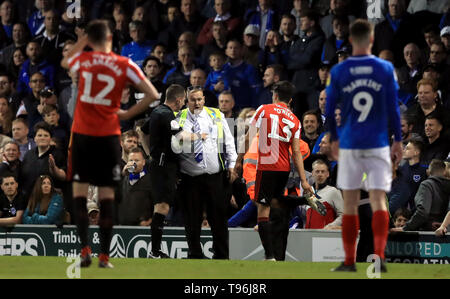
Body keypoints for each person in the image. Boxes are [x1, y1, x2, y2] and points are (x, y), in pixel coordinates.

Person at [61, 20, 160, 268]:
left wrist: (82, 39)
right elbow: (153, 94)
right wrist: (126, 114)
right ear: (111, 40)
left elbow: (65, 62)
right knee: (106, 197)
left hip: (83, 135)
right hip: (107, 137)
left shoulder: (84, 61)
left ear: (91, 40)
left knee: (81, 196)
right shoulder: (123, 64)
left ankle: (85, 251)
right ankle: (104, 257)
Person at [326, 19, 403, 272]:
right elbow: (393, 108)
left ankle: (349, 261)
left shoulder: (339, 71)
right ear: (372, 39)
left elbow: (329, 107)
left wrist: (334, 138)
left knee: (349, 204)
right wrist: (398, 141)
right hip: (378, 143)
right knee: (378, 200)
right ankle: (378, 259)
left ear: (350, 40)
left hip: (350, 144)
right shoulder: (385, 68)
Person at [235, 81, 315, 261]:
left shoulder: (264, 109)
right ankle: (302, 200)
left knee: (263, 210)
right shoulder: (294, 119)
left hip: (267, 167)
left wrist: (238, 160)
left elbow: (248, 138)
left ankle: (269, 255)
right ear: (291, 100)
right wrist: (304, 181)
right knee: (276, 202)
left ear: (275, 96)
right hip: (284, 169)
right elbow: (296, 152)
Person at [174, 85, 237, 259]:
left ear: (204, 99)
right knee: (192, 219)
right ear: (187, 101)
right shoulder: (178, 118)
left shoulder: (216, 114)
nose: (197, 102)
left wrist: (232, 164)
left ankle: (222, 255)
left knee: (219, 219)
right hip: (189, 178)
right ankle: (194, 254)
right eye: (193, 99)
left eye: (199, 99)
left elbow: (229, 141)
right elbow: (174, 145)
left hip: (215, 177)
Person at [147, 84, 186, 258]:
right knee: (162, 206)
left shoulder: (157, 111)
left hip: (160, 164)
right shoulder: (167, 114)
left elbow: (141, 131)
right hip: (164, 167)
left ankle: (155, 250)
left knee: (161, 206)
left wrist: (150, 154)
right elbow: (181, 137)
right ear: (178, 100)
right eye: (184, 100)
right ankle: (155, 251)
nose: (184, 103)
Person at [391, 159, 450, 232]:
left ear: (428, 171)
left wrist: (406, 228)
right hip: (445, 232)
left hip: (429, 235)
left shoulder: (426, 185)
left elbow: (423, 212)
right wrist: (444, 225)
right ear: (444, 171)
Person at [389, 139, 427, 215]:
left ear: (416, 152)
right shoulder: (400, 169)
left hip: (416, 212)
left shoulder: (425, 170)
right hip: (398, 212)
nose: (404, 150)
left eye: (408, 148)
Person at [305, 159, 343, 229]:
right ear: (312, 173)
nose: (320, 174)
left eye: (323, 172)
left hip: (324, 237)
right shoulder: (308, 194)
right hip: (309, 237)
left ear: (327, 174)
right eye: (317, 171)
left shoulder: (333, 191)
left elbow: (343, 215)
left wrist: (330, 226)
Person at [118, 147, 152, 226]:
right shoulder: (123, 179)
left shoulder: (151, 181)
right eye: (131, 160)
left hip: (142, 229)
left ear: (143, 162)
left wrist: (150, 221)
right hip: (122, 227)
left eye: (136, 160)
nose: (133, 163)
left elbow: (157, 204)